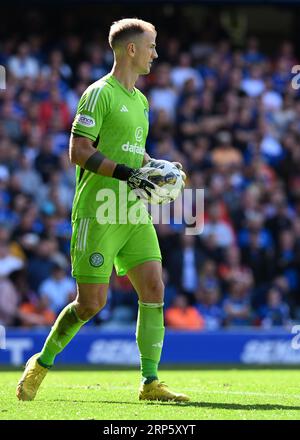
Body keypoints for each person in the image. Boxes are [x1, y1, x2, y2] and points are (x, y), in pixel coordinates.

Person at [16, 18, 189, 402]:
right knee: (91, 304)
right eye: (151, 46)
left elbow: (135, 153)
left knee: (154, 288)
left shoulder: (141, 101)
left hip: (132, 212)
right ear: (131, 49)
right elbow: (79, 152)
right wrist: (129, 173)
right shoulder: (99, 93)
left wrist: (159, 167)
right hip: (98, 212)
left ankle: (150, 382)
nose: (155, 53)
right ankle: (41, 363)